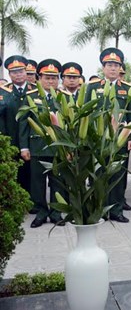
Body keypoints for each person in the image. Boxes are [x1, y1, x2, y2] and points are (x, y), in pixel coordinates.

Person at [85, 48, 131, 223]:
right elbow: (86, 113)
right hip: (99, 139)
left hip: (120, 139)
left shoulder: (128, 89)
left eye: (116, 65)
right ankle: (99, 208)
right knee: (98, 174)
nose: (113, 68)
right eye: (109, 65)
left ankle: (116, 209)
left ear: (120, 68)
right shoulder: (92, 87)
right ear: (103, 68)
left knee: (118, 176)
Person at [19, 59, 67, 228]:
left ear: (58, 79)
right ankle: (41, 212)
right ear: (39, 78)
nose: (51, 81)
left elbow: (69, 125)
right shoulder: (30, 97)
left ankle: (55, 213)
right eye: (47, 77)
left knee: (57, 183)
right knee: (37, 183)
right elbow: (24, 123)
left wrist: (68, 149)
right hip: (37, 147)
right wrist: (24, 147)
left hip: (58, 149)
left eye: (54, 78)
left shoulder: (64, 97)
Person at [1, 56, 37, 199]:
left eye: (21, 71)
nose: (18, 75)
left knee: (31, 172)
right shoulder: (4, 92)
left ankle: (31, 200)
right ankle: (14, 200)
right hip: (10, 138)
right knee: (13, 171)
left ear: (26, 72)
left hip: (31, 139)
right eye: (14, 72)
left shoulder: (35, 90)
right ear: (9, 75)